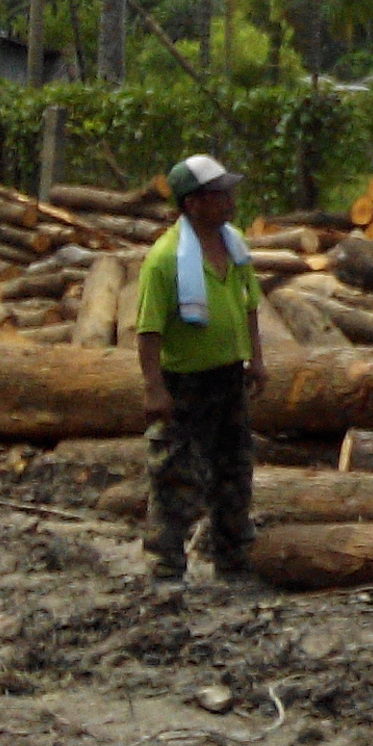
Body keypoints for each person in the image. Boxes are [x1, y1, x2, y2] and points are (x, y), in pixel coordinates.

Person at [134, 153, 265, 587]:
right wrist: (155, 390)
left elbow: (249, 306)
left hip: (228, 376)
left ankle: (233, 560)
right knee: (174, 474)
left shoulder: (234, 245)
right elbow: (148, 330)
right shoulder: (164, 260)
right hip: (184, 382)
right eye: (219, 195)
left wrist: (255, 358)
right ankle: (165, 566)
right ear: (193, 204)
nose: (229, 202)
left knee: (234, 469)